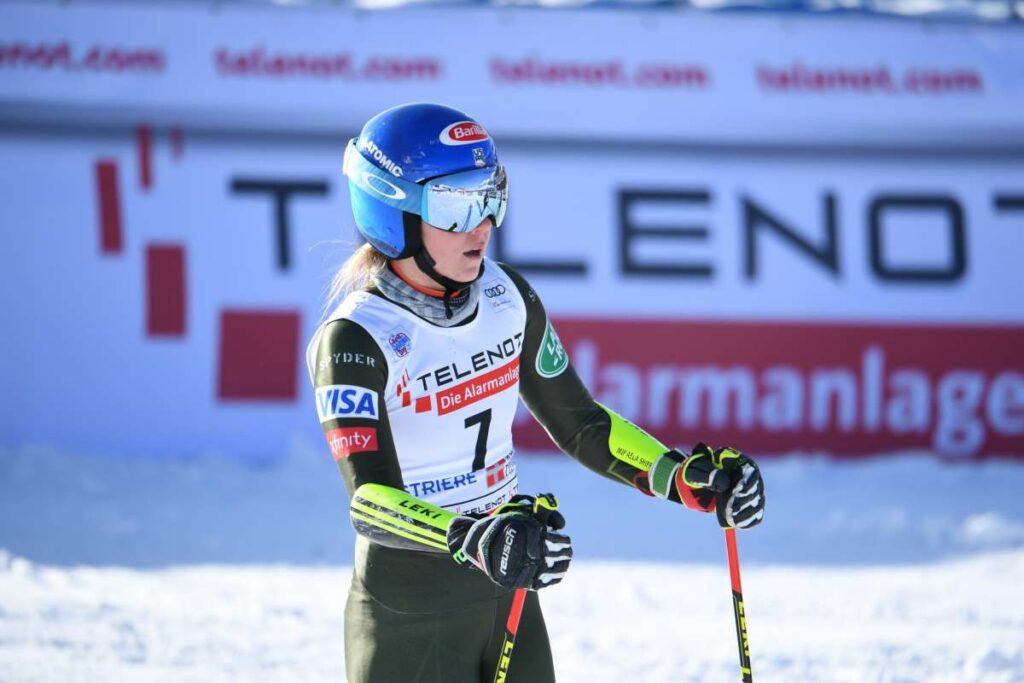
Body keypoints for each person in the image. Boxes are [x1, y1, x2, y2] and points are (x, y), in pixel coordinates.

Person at [306, 102, 766, 683]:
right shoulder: (355, 337)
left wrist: (682, 478)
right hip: (410, 613)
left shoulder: (507, 296)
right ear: (392, 210)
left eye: (491, 196)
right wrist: (470, 537)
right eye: (455, 206)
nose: (482, 225)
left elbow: (582, 424)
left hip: (507, 589)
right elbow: (370, 501)